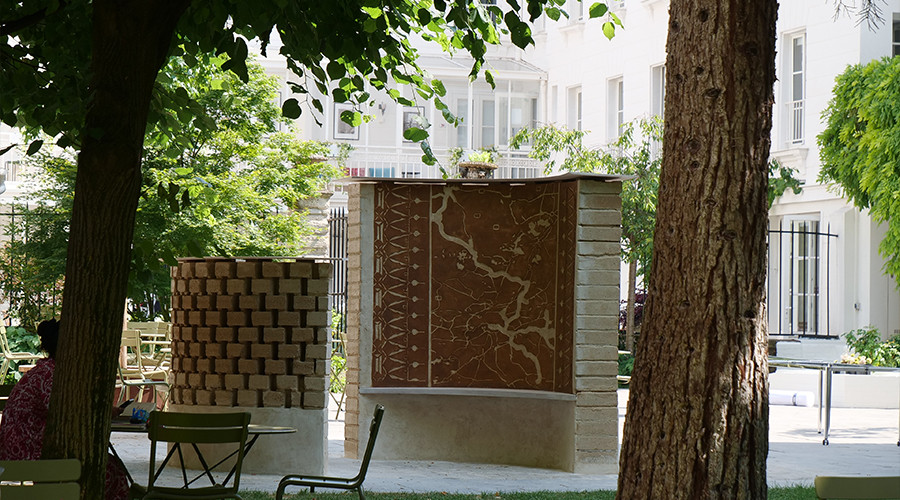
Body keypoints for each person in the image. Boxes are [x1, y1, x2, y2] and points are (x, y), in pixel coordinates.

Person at [0, 319, 129, 500]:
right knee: (106, 471)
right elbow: (68, 414)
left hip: (28, 444)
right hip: (27, 448)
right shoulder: (53, 375)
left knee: (109, 467)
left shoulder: (48, 370)